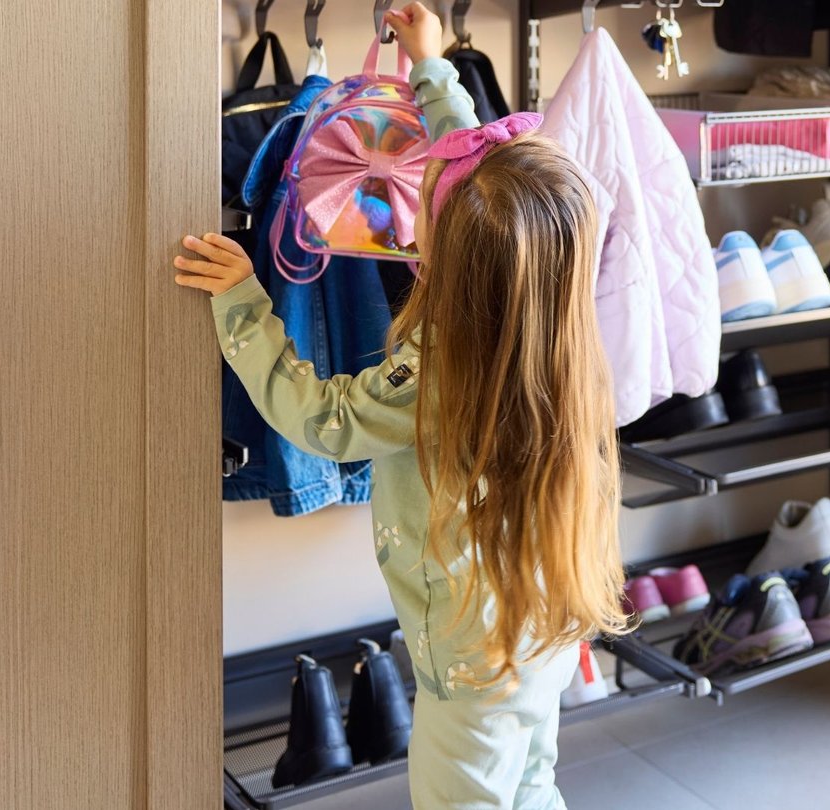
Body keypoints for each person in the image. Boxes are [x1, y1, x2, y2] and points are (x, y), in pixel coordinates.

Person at [172, 5, 626, 807]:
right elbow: (490, 177)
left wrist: (242, 300)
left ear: (453, 268)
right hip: (544, 622)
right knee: (533, 779)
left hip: (469, 663)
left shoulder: (441, 369)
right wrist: (433, 66)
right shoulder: (557, 334)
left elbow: (322, 416)